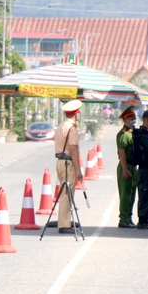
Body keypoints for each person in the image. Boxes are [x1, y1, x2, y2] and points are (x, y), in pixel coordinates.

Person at [55, 99, 84, 234]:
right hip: (68, 163)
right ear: (76, 114)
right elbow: (73, 149)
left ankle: (64, 219)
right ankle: (64, 225)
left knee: (64, 192)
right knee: (68, 193)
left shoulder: (61, 126)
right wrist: (78, 169)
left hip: (60, 162)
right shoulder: (72, 128)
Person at [116, 107, 138, 228]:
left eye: (134, 118)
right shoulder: (124, 134)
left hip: (132, 166)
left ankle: (128, 217)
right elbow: (122, 152)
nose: (134, 120)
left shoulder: (131, 132)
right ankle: (123, 219)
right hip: (126, 165)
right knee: (126, 194)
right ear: (125, 120)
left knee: (131, 193)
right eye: (131, 118)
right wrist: (125, 169)